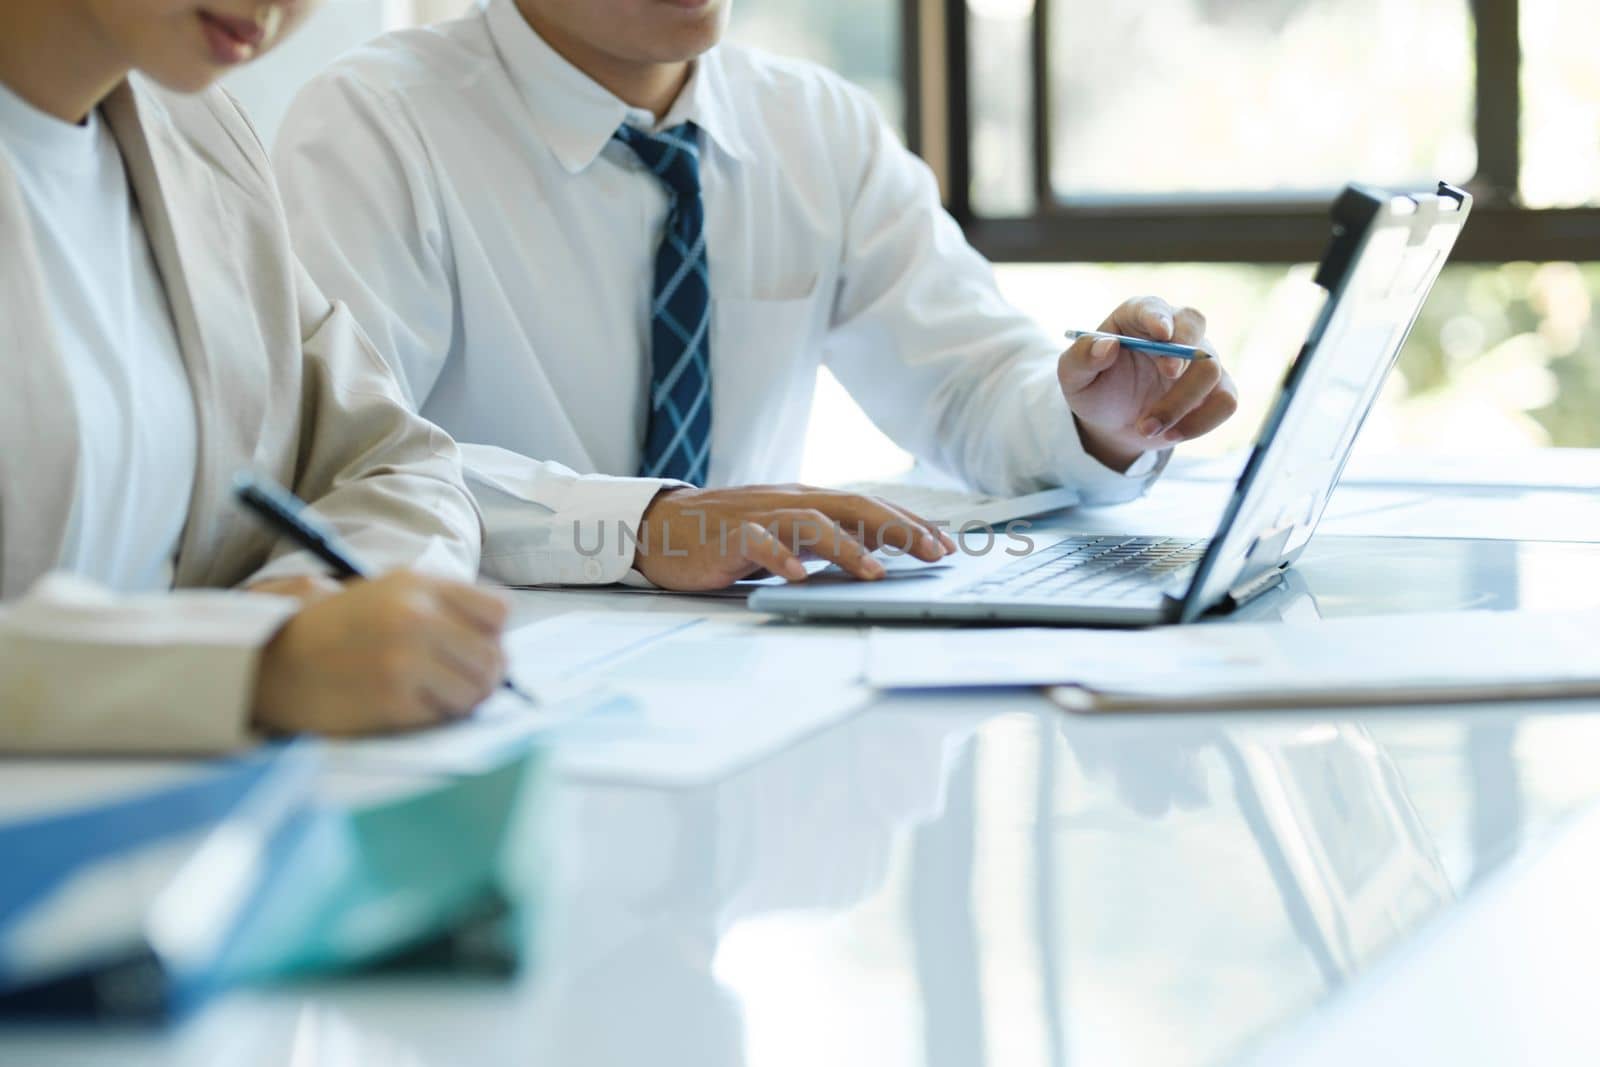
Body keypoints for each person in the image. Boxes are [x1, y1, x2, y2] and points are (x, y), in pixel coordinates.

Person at [272, 0, 1240, 593]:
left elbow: (969, 385)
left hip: (746, 684)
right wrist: (642, 525)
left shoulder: (815, 125)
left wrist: (1091, 419)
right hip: (494, 677)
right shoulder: (374, 125)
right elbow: (349, 462)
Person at [0, 0, 513, 752]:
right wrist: (245, 661)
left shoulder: (202, 135)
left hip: (180, 832)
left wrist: (315, 606)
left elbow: (400, 461)